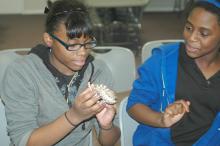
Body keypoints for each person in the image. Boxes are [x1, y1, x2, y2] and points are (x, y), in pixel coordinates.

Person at [1, 0, 120, 146]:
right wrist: (74, 116)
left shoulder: (98, 71)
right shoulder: (21, 72)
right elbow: (24, 141)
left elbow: (109, 142)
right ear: (49, 39)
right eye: (73, 45)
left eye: (88, 43)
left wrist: (106, 126)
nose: (83, 52)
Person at [127, 0, 220, 145]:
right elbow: (134, 104)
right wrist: (161, 119)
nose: (192, 37)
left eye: (204, 33)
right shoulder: (163, 59)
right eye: (189, 28)